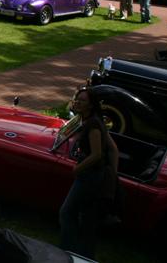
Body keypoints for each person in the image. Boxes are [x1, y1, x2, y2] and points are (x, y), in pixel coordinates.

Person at [60, 87, 118, 259]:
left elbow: (97, 154)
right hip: (96, 175)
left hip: (89, 175)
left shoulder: (93, 124)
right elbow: (113, 149)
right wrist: (112, 178)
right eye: (77, 98)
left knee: (66, 212)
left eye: (82, 100)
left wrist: (77, 168)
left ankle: (67, 251)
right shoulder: (93, 120)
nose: (77, 102)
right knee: (87, 219)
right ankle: (84, 256)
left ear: (91, 105)